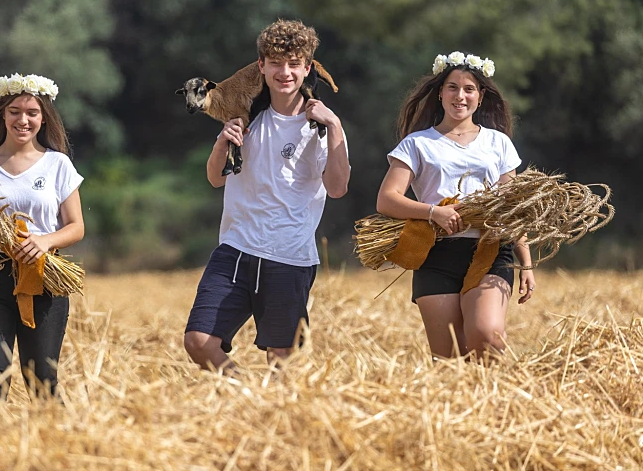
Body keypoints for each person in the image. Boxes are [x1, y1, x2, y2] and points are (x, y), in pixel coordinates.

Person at [183, 19, 351, 372]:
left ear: (308, 68)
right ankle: (246, 393)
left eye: (293, 64)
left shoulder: (322, 126)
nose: (284, 72)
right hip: (235, 248)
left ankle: (270, 415)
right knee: (198, 342)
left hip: (290, 257)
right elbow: (215, 179)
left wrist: (334, 126)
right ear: (261, 66)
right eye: (275, 63)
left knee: (282, 364)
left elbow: (337, 187)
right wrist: (222, 141)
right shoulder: (245, 119)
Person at [376, 52, 535, 359]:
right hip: (436, 254)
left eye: (468, 89)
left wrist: (526, 262)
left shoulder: (498, 143)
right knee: (450, 361)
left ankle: (495, 404)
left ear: (480, 95)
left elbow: (513, 208)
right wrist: (434, 212)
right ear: (440, 92)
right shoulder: (417, 144)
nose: (459, 96)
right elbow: (387, 199)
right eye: (452, 87)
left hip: (489, 250)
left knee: (487, 335)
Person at [0, 73, 84, 405]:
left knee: (42, 379)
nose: (22, 120)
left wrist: (44, 241)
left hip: (43, 276)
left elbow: (75, 227)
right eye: (15, 111)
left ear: (43, 118)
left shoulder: (58, 165)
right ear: (3, 113)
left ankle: (55, 450)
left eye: (32, 112)